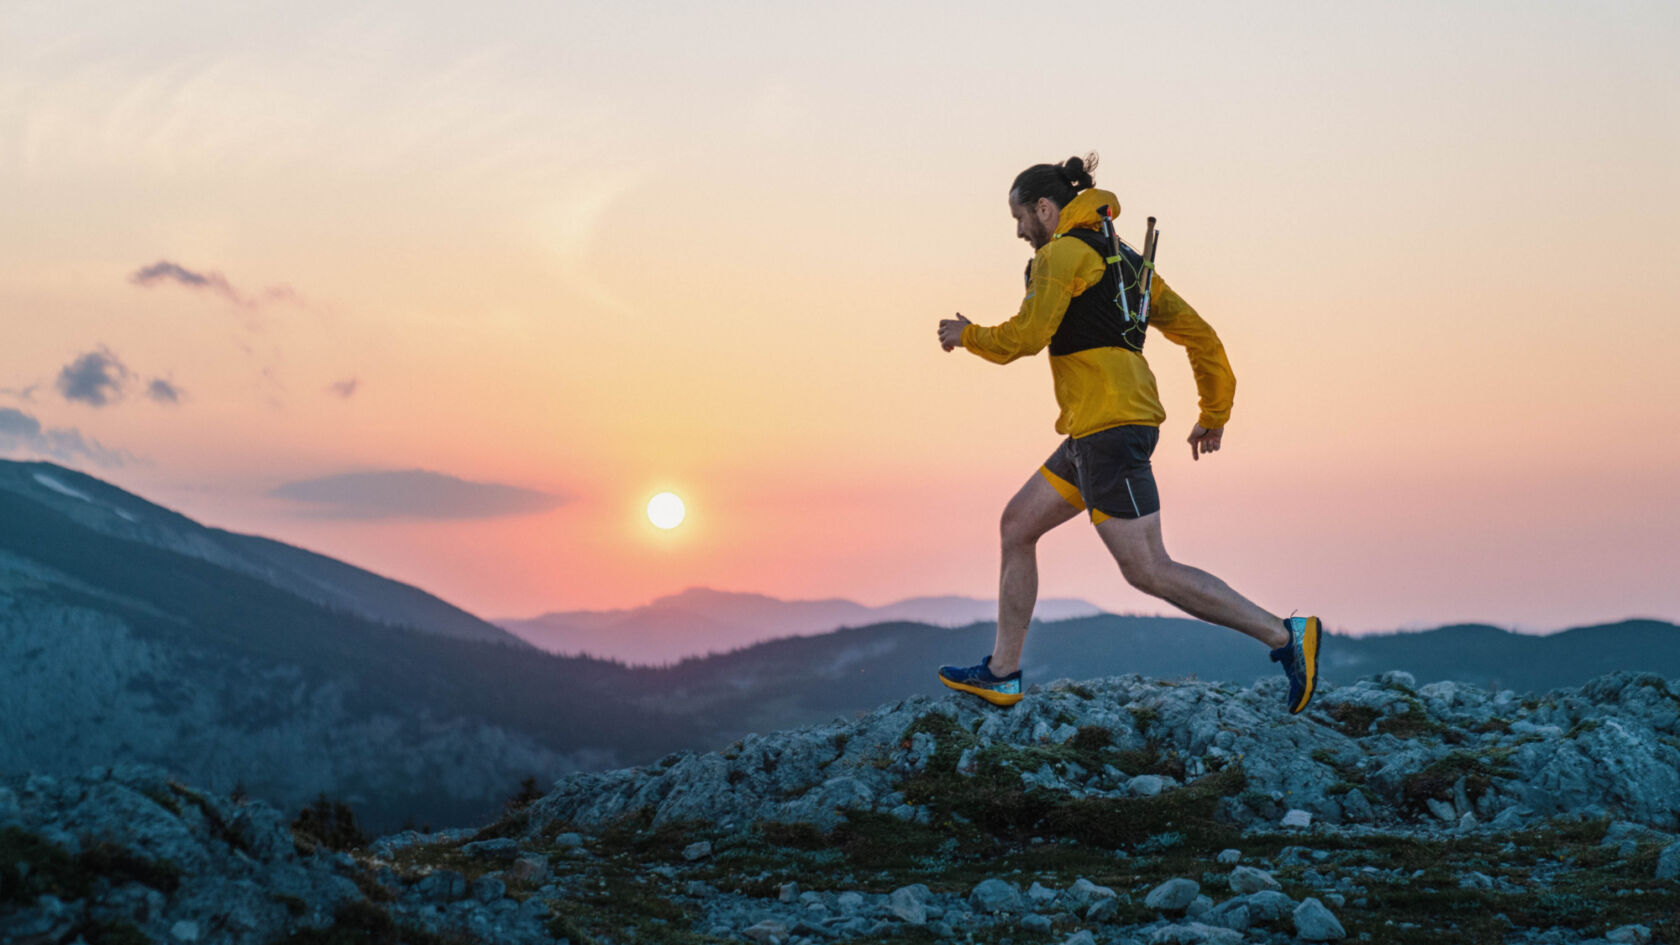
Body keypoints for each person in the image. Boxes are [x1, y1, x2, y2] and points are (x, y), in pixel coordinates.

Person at [933, 153, 1322, 714]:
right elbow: (1202, 336)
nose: (1019, 231)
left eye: (1020, 217)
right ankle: (1002, 672)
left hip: (1108, 431)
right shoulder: (1129, 262)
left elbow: (1026, 336)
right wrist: (1214, 412)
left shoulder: (1059, 255)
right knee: (1017, 525)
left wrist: (967, 334)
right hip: (1095, 429)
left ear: (1046, 208)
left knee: (1148, 569)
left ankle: (1286, 637)